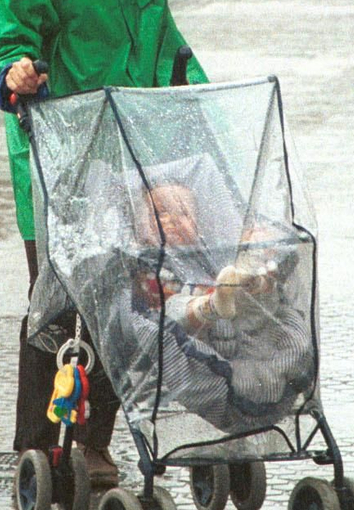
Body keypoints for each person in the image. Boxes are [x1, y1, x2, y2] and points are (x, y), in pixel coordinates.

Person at [0, 0, 215, 485]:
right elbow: (4, 38)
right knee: (57, 307)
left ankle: (94, 443)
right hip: (62, 157)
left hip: (135, 149)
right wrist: (15, 70)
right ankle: (40, 447)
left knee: (128, 298)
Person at [112, 181, 312, 432]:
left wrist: (259, 247)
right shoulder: (149, 265)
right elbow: (150, 311)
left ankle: (252, 279)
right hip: (197, 338)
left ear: (199, 223)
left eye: (184, 213)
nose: (173, 221)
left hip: (241, 331)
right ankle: (213, 304)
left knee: (261, 302)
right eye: (161, 214)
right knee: (171, 311)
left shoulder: (213, 254)